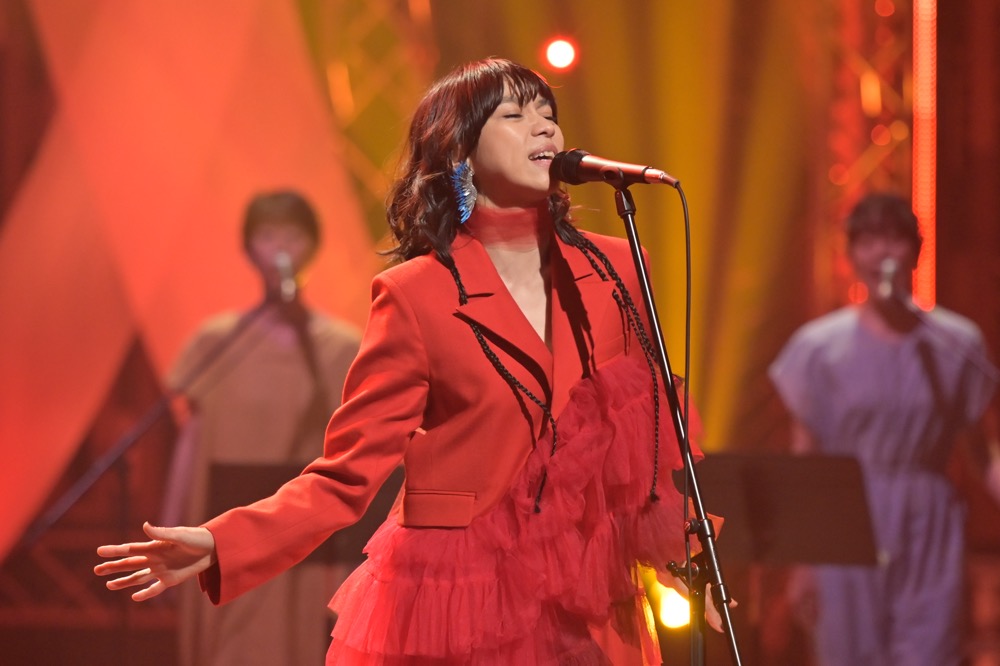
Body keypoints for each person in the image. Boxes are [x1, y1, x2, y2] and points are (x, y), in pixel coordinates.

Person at [96, 58, 726, 664]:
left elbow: (647, 443)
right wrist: (221, 542)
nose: (544, 128)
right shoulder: (416, 295)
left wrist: (683, 552)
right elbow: (346, 474)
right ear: (461, 153)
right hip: (460, 599)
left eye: (547, 114)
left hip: (580, 599)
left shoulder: (614, 269)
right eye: (514, 115)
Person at [769, 192, 1000, 666]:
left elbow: (982, 455)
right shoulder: (819, 348)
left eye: (894, 239)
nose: (883, 254)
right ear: (851, 255)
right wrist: (803, 563)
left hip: (929, 527)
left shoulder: (956, 342)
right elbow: (805, 462)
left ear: (915, 252)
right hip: (845, 523)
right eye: (869, 241)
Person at [161, 190, 369, 665]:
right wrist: (170, 528)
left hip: (303, 536)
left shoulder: (339, 347)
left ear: (312, 247)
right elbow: (190, 445)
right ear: (248, 248)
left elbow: (359, 454)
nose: (280, 249)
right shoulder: (217, 342)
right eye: (268, 236)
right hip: (221, 531)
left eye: (292, 237)